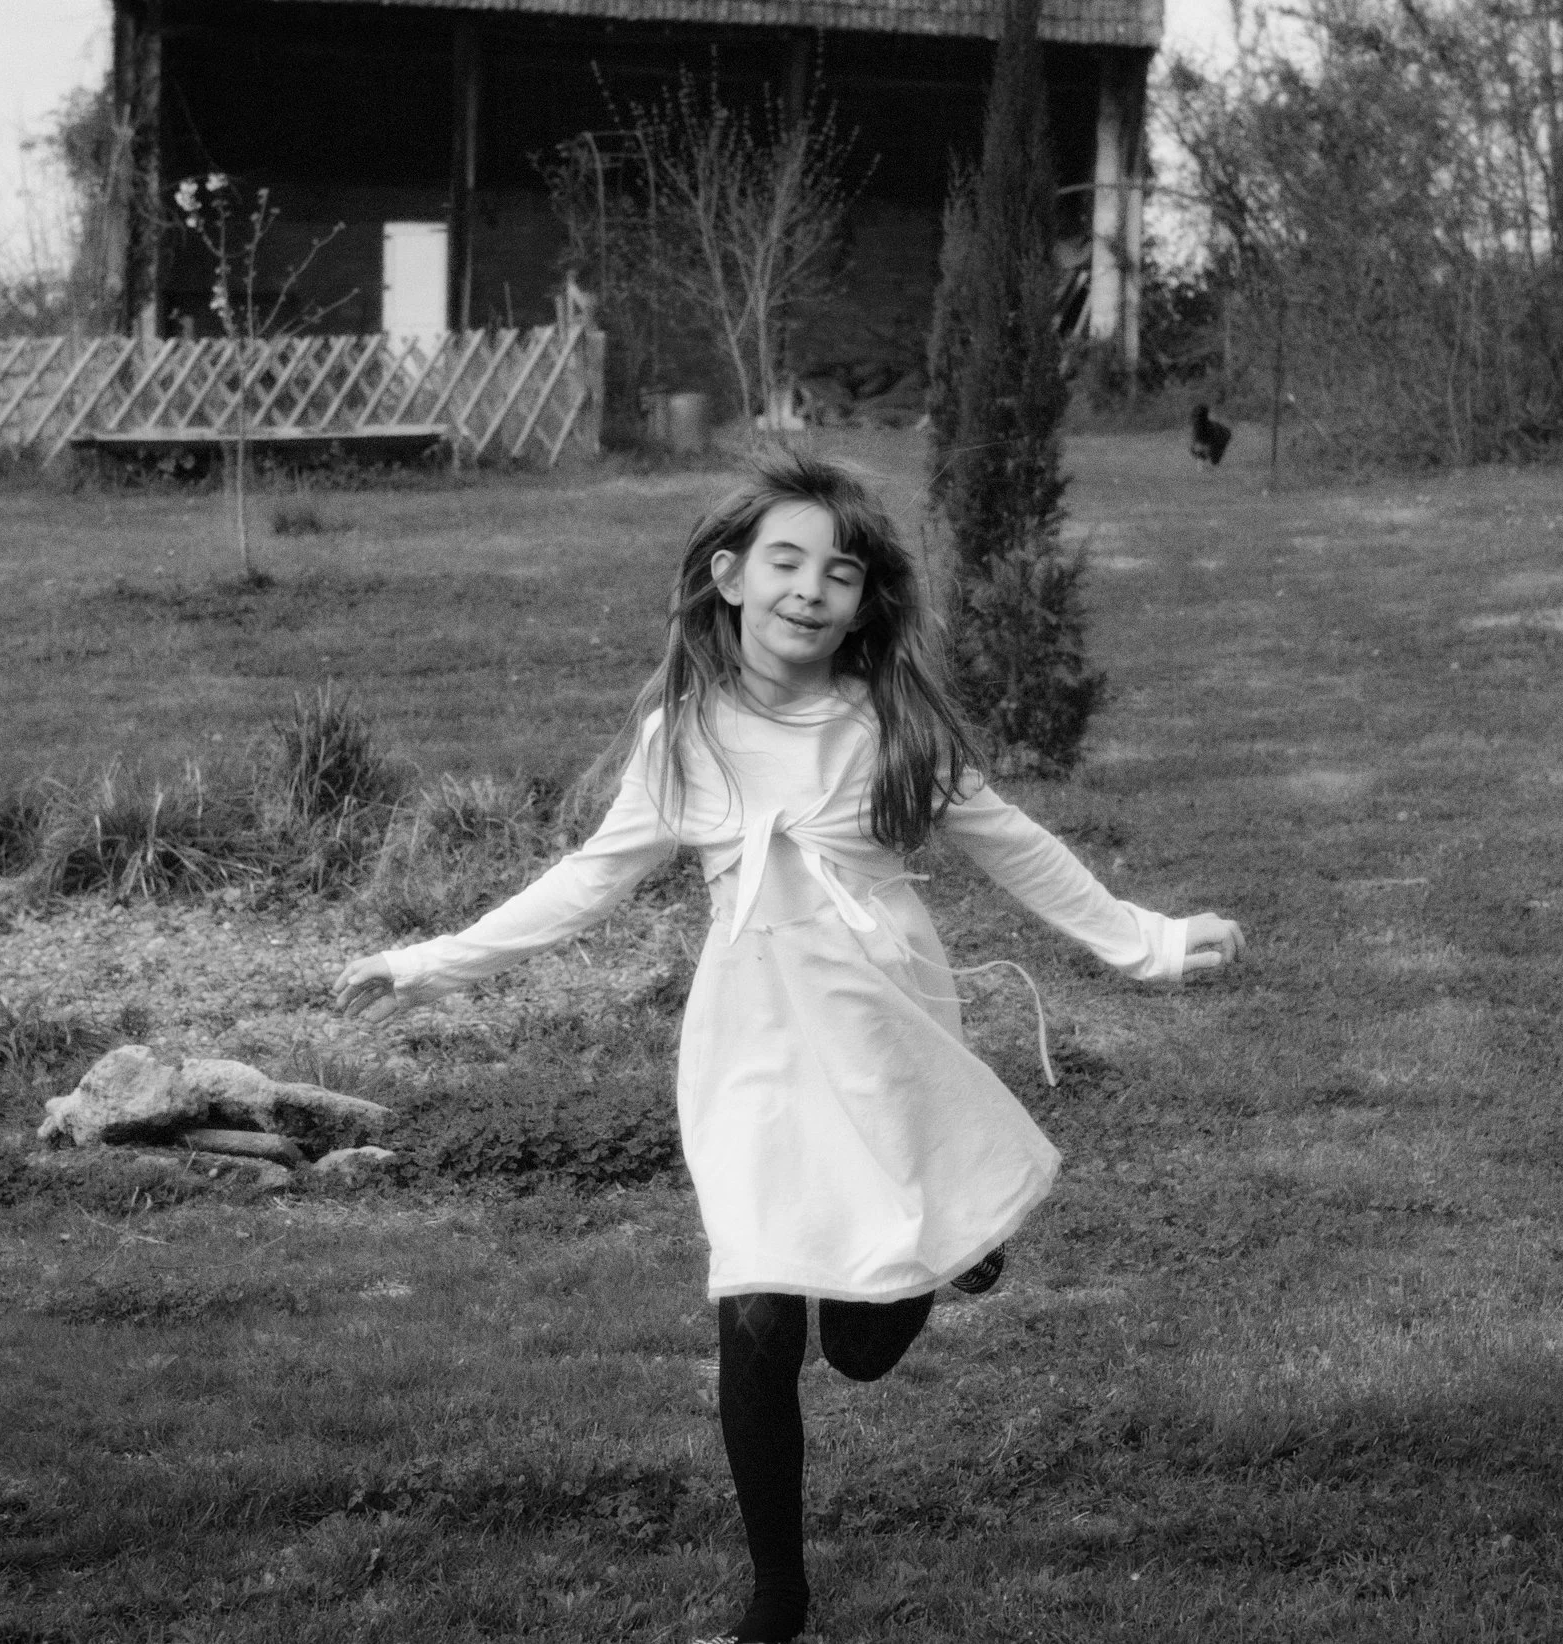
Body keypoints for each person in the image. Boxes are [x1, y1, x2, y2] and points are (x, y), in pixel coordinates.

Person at [335, 450, 1245, 1644]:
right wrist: (430, 960)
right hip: (752, 1039)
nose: (812, 589)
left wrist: (1150, 943)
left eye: (843, 572)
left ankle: (952, 1239)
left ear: (865, 603)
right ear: (728, 577)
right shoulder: (683, 737)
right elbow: (585, 882)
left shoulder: (892, 726)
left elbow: (1016, 845)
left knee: (862, 1349)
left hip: (887, 1029)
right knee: (757, 1314)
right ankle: (779, 1593)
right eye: (787, 562)